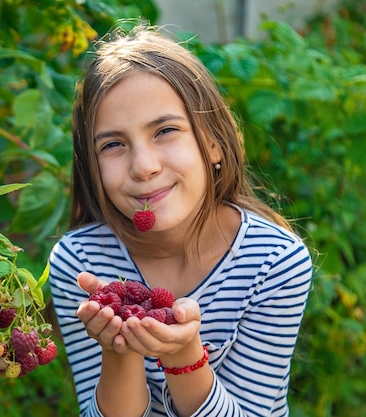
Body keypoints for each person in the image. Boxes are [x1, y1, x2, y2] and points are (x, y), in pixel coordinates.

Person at [48, 24, 313, 417]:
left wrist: (183, 355)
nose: (144, 167)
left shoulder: (274, 262)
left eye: (165, 130)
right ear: (92, 166)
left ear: (213, 144)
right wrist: (118, 349)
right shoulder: (81, 264)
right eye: (113, 145)